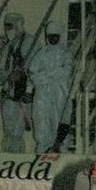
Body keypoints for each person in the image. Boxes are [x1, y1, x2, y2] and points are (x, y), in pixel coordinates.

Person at [28, 19, 74, 153]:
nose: (53, 39)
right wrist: (51, 76)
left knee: (59, 120)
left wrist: (44, 76)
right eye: (50, 37)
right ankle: (43, 150)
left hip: (60, 93)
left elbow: (65, 72)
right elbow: (33, 72)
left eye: (55, 36)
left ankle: (61, 149)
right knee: (41, 120)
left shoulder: (65, 53)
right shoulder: (42, 53)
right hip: (42, 95)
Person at [0, 12, 36, 153]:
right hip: (9, 94)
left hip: (21, 95)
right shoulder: (9, 47)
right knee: (8, 130)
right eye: (6, 26)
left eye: (10, 26)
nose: (7, 30)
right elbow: (3, 69)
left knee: (16, 131)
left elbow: (33, 68)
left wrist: (29, 89)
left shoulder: (29, 42)